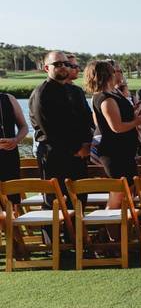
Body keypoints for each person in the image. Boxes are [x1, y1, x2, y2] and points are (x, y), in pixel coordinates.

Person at [29, 51, 93, 205]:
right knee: (55, 205)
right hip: (54, 157)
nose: (63, 67)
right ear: (46, 68)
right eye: (57, 64)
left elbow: (87, 121)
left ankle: (76, 230)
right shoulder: (42, 93)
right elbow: (49, 129)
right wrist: (76, 148)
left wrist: (86, 144)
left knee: (79, 202)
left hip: (79, 157)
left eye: (66, 64)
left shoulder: (75, 91)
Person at [86, 61, 141, 192]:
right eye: (115, 71)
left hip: (125, 152)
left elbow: (118, 115)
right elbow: (116, 127)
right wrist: (137, 122)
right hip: (115, 154)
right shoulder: (105, 98)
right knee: (119, 196)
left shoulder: (114, 93)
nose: (117, 73)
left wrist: (132, 112)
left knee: (129, 194)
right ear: (107, 75)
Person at [0, 89, 28, 201]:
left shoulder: (8, 99)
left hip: (9, 158)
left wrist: (16, 140)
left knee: (12, 201)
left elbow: (24, 127)